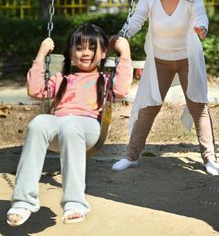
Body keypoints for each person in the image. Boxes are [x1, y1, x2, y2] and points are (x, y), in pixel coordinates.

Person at [7, 23, 133, 226]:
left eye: (92, 48)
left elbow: (122, 89)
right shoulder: (61, 79)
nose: (85, 53)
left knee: (70, 126)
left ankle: (75, 203)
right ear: (71, 53)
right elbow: (35, 90)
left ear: (103, 54)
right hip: (59, 128)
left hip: (88, 129)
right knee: (39, 122)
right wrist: (41, 55)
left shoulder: (105, 80)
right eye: (80, 47)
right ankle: (23, 201)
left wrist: (125, 52)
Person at [112, 0, 219, 176]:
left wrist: (201, 27)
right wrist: (122, 36)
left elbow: (200, 15)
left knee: (198, 106)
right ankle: (130, 156)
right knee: (148, 107)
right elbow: (136, 21)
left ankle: (209, 159)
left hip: (188, 59)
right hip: (160, 60)